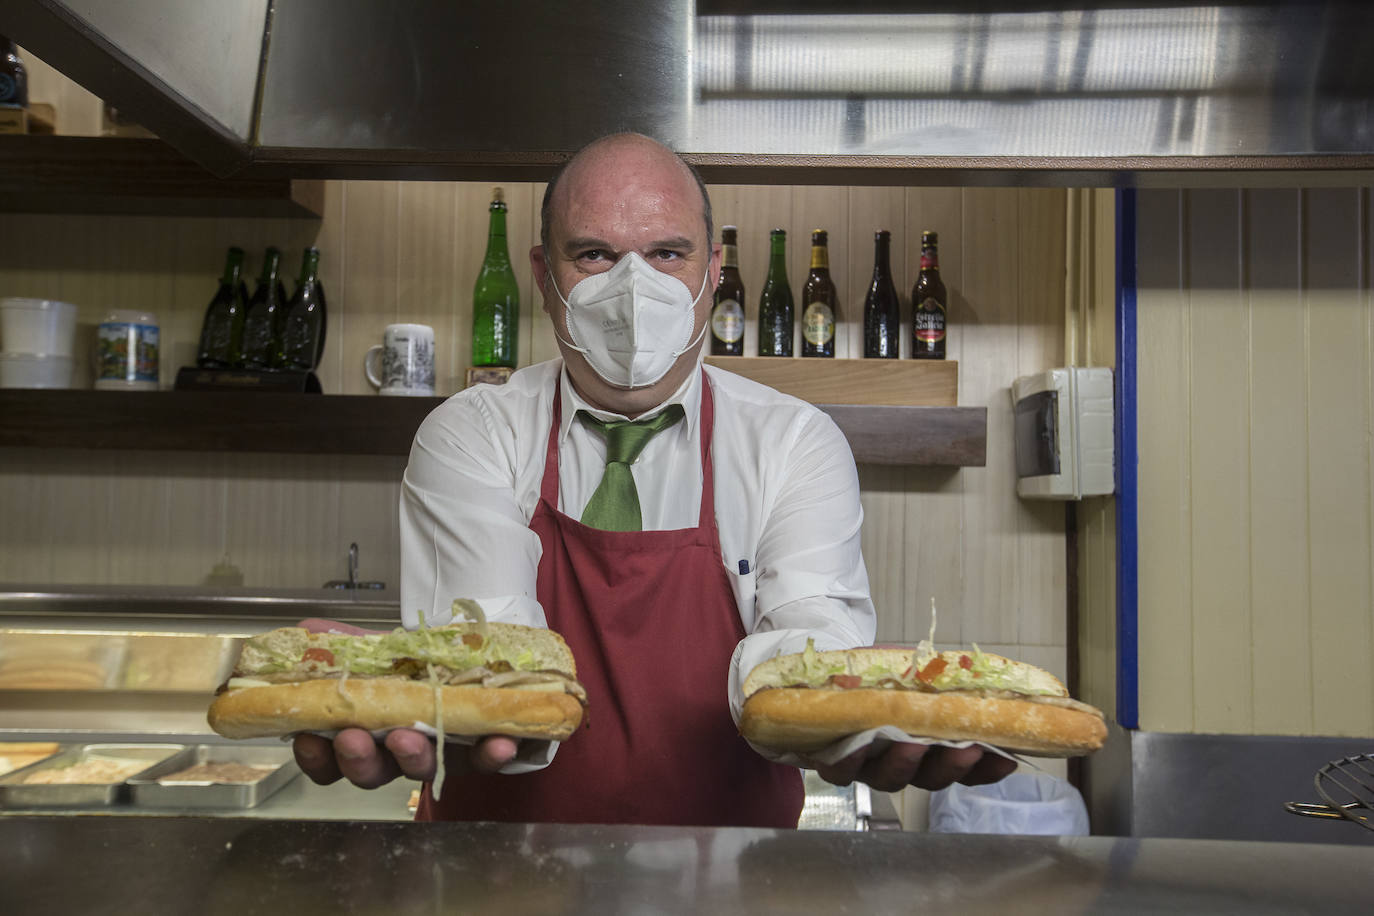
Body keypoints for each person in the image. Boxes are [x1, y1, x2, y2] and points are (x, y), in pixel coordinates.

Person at [293, 133, 1014, 825]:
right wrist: (426, 696)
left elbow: (809, 633)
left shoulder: (793, 441)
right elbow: (491, 652)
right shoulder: (474, 433)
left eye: (668, 252)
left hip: (731, 878)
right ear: (545, 278)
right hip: (496, 873)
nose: (633, 287)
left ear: (711, 271)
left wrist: (844, 706)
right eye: (594, 255)